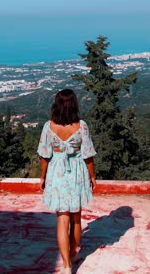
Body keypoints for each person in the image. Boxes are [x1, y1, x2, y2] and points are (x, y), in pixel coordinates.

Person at [38, 88, 97, 274]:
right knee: (76, 217)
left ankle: (66, 266)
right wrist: (92, 176)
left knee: (62, 220)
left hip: (56, 172)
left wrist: (42, 177)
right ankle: (73, 254)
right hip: (77, 172)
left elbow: (44, 155)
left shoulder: (49, 126)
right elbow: (88, 155)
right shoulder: (82, 126)